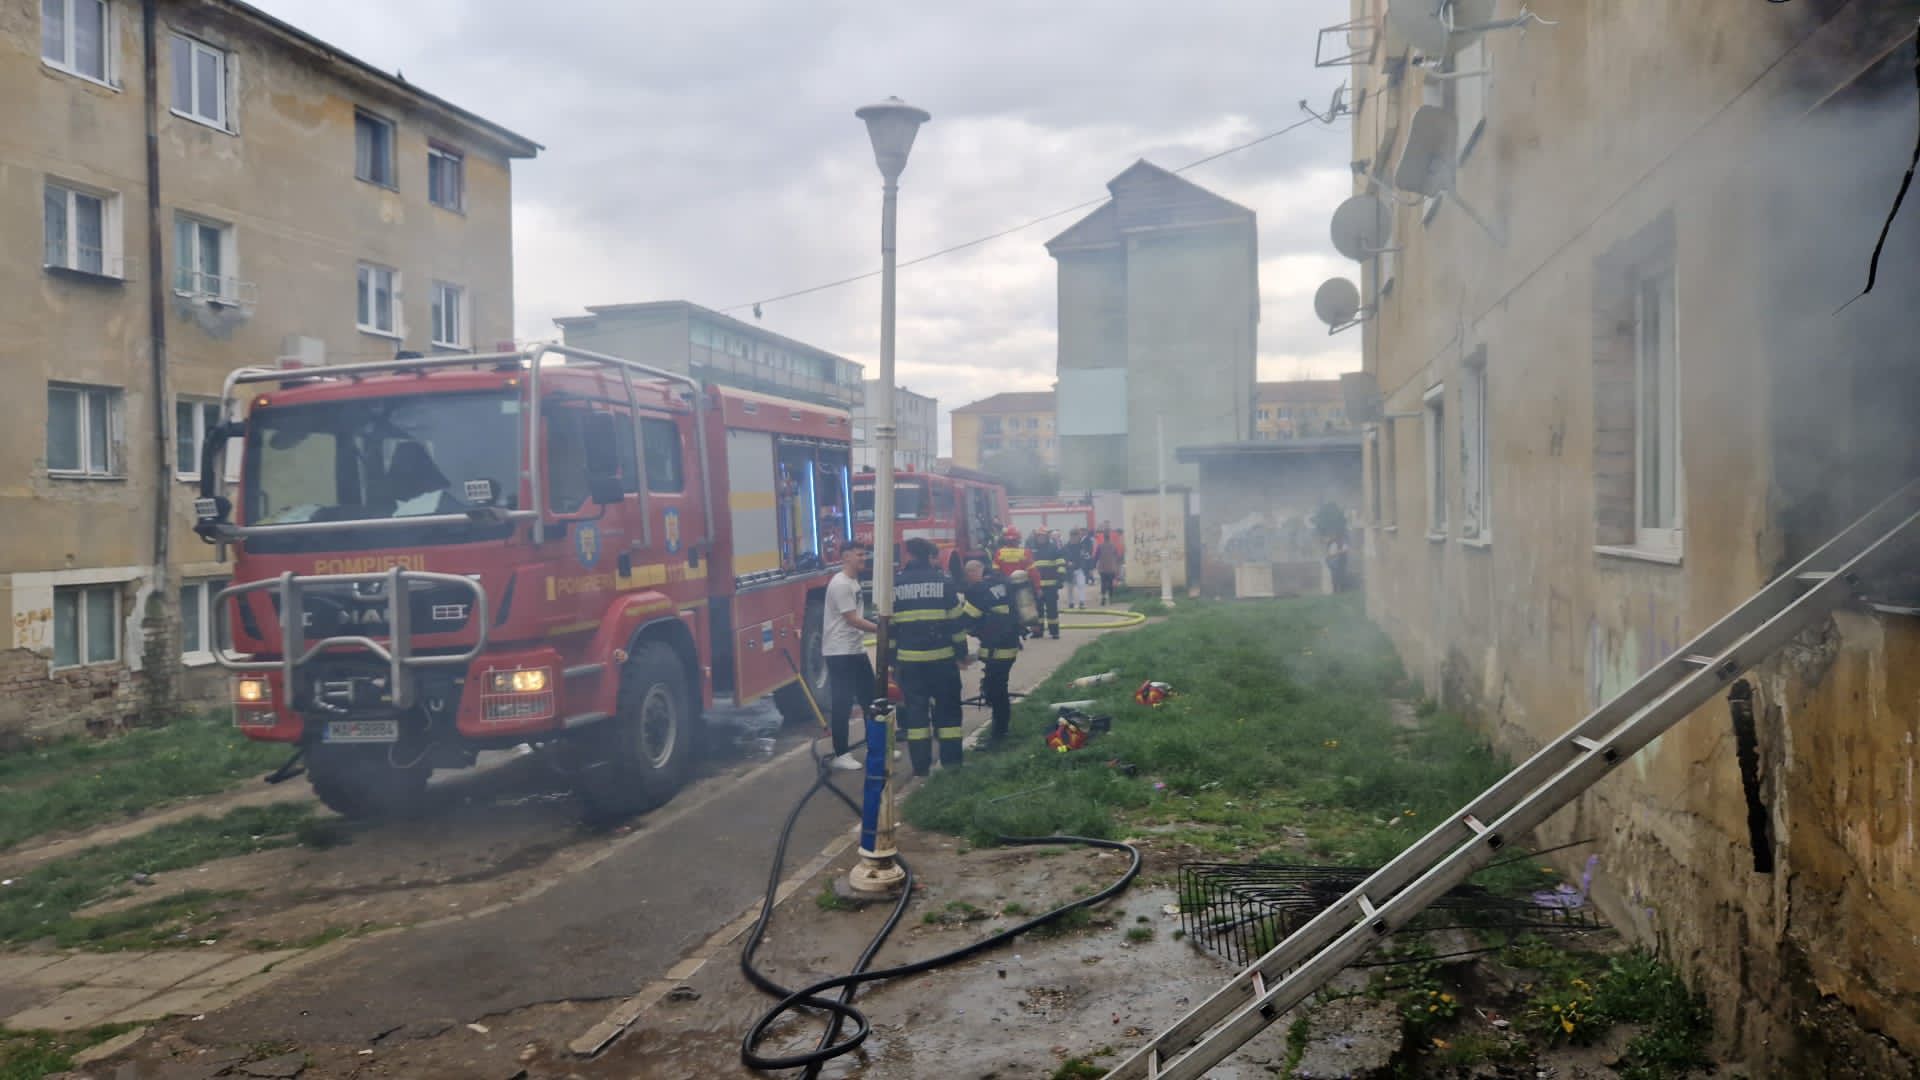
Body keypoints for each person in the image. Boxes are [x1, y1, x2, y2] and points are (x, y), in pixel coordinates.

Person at [892, 537, 970, 776]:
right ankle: (952, 763)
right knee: (948, 711)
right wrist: (962, 653)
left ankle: (921, 767)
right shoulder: (943, 581)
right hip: (942, 661)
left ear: (909, 556)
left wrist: (893, 661)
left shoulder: (895, 584)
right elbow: (957, 623)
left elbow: (889, 626)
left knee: (915, 715)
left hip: (910, 663)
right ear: (929, 556)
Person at [821, 541, 877, 772]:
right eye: (859, 555)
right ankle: (841, 753)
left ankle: (877, 747)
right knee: (842, 702)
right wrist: (880, 629)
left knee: (870, 700)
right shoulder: (841, 584)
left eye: (864, 554)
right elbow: (852, 619)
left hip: (855, 649)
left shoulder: (853, 581)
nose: (864, 558)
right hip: (839, 651)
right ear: (845, 557)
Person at [959, 559, 1020, 746]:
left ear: (972, 572)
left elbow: (967, 619)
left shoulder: (977, 590)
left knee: (996, 691)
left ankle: (999, 735)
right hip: (1010, 643)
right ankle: (1000, 729)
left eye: (968, 574)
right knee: (998, 687)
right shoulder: (1002, 581)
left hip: (996, 648)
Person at [1028, 528, 1064, 639]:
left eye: (1042, 536)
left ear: (1047, 537)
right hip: (1036, 586)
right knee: (1037, 611)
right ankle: (1038, 632)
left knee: (1052, 610)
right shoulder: (1032, 550)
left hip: (1051, 586)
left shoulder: (1053, 548)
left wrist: (1060, 579)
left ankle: (1054, 632)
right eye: (1039, 536)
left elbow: (1061, 564)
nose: (1040, 538)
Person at [1066, 527, 1095, 609]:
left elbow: (1087, 557)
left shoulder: (1082, 546)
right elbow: (1063, 557)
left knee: (1081, 585)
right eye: (1073, 536)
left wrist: (1090, 568)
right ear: (1070, 536)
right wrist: (1067, 562)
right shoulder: (1066, 547)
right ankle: (1071, 603)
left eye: (1076, 536)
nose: (1075, 538)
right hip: (1069, 570)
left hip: (1080, 569)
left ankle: (1082, 602)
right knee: (1070, 588)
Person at [1095, 527, 1123, 606]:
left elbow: (1096, 557)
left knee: (1103, 583)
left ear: (1103, 537)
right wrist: (1117, 566)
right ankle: (1111, 598)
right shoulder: (1113, 546)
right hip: (1111, 568)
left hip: (1102, 568)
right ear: (1109, 537)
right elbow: (1117, 556)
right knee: (1110, 584)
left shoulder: (1100, 546)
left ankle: (1103, 598)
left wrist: (1095, 565)